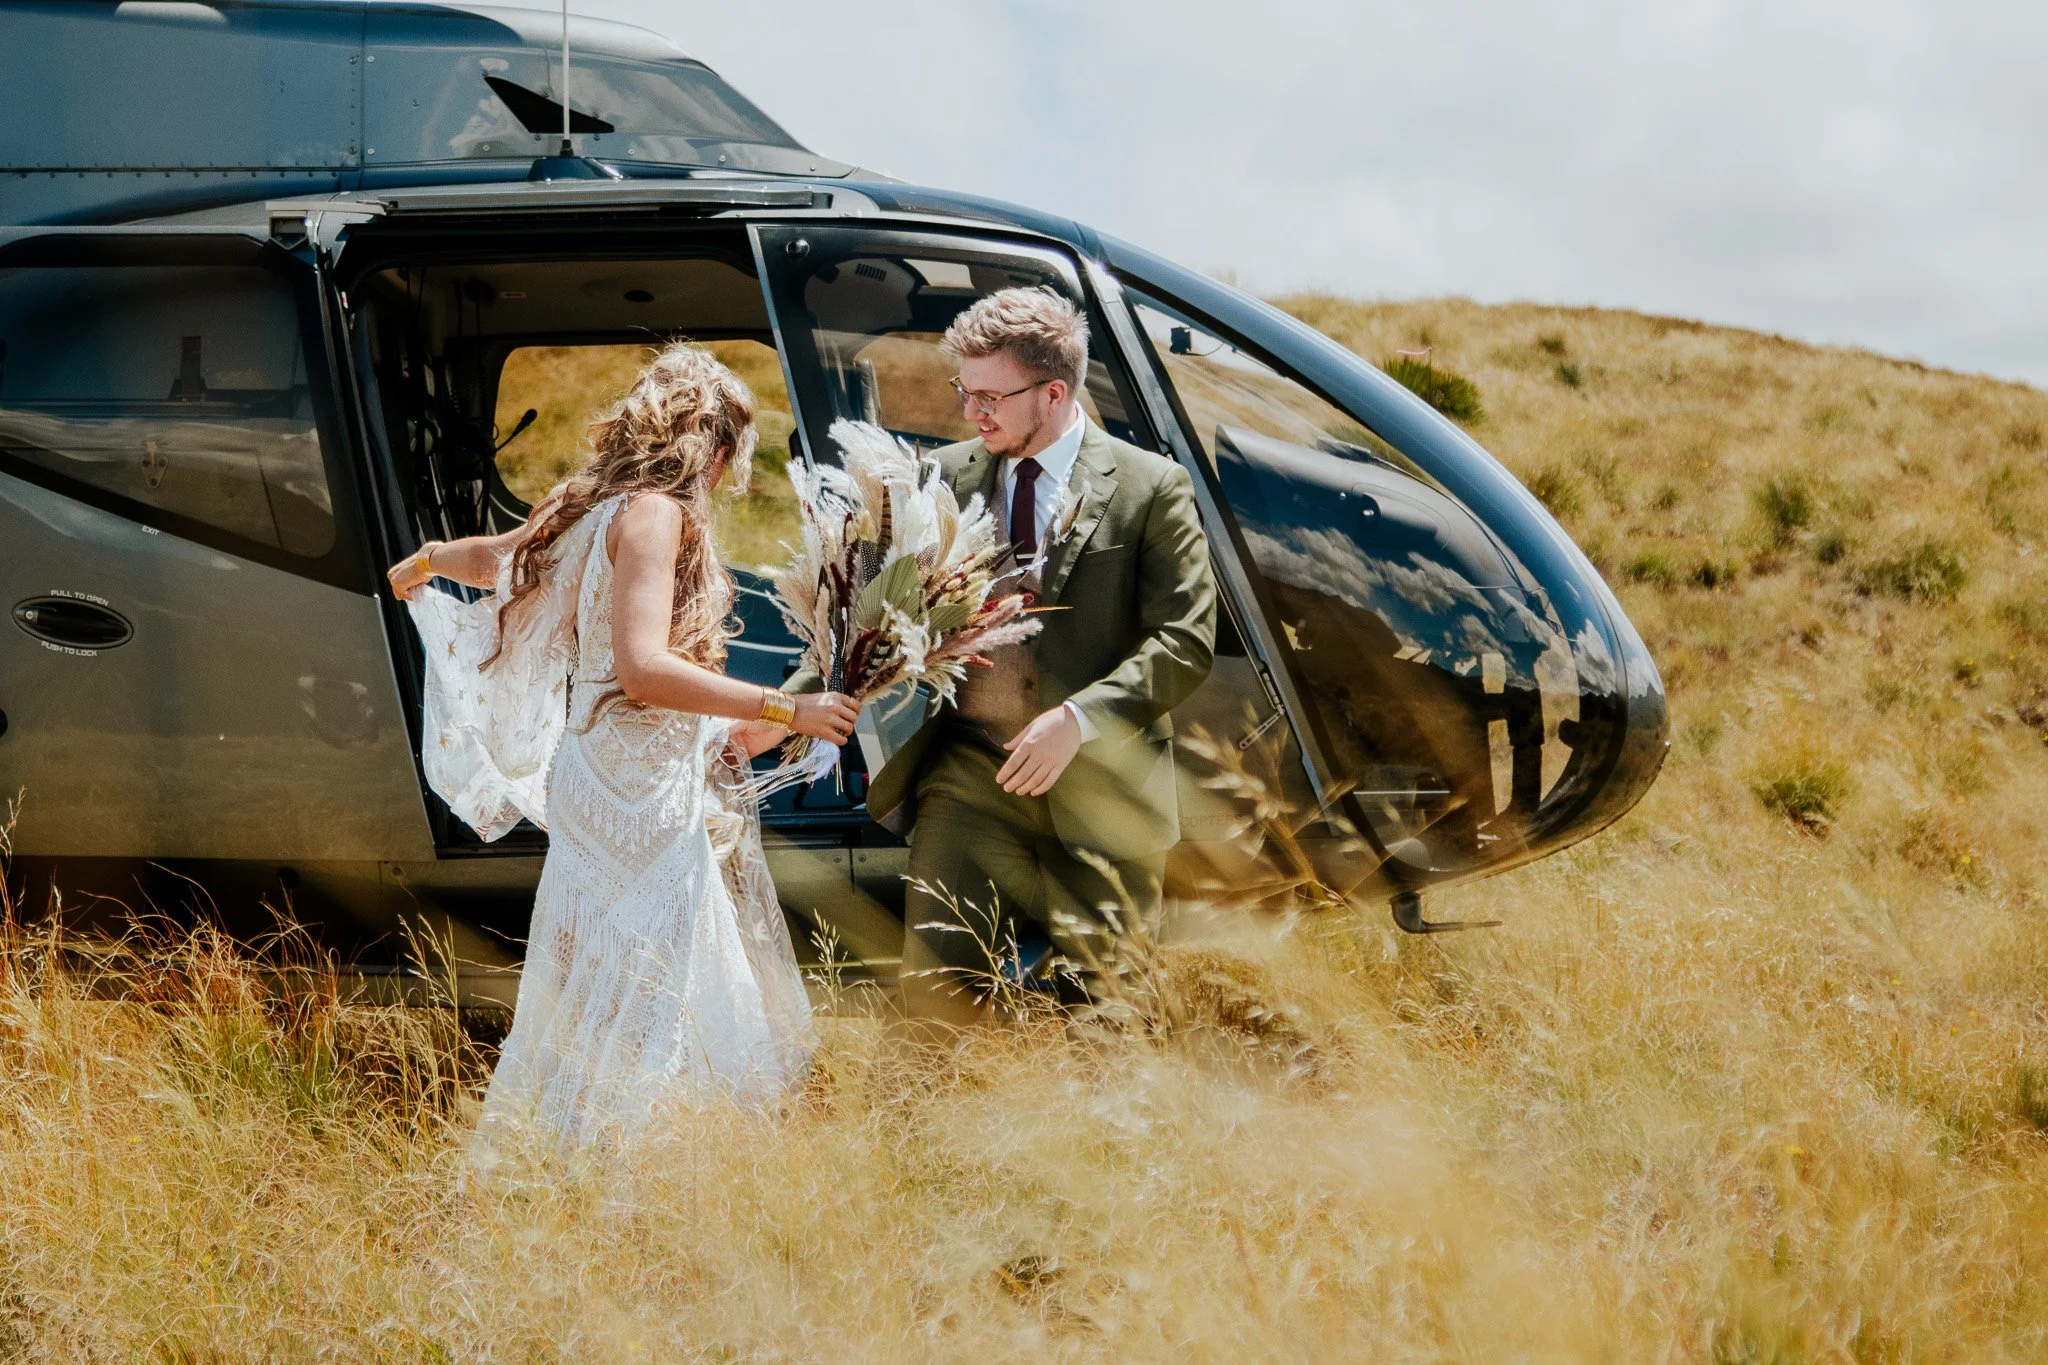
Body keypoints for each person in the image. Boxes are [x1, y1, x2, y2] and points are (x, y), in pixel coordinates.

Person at [384, 343, 859, 1152]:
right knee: (660, 990)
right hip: (640, 797)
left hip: (595, 777)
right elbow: (642, 669)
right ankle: (636, 1169)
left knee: (584, 987)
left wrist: (427, 559)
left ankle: (558, 1154)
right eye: (726, 460)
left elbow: (499, 559)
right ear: (712, 451)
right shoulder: (657, 514)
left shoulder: (587, 502)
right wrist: (789, 705)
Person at [858, 287, 1217, 1023]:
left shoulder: (1152, 488)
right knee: (932, 1008)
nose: (971, 410)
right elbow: (874, 611)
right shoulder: (945, 476)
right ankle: (919, 1136)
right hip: (968, 779)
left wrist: (1079, 721)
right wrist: (784, 709)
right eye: (966, 390)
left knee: (1111, 1018)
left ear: (1054, 393)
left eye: (991, 395)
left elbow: (1185, 640)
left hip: (1107, 789)